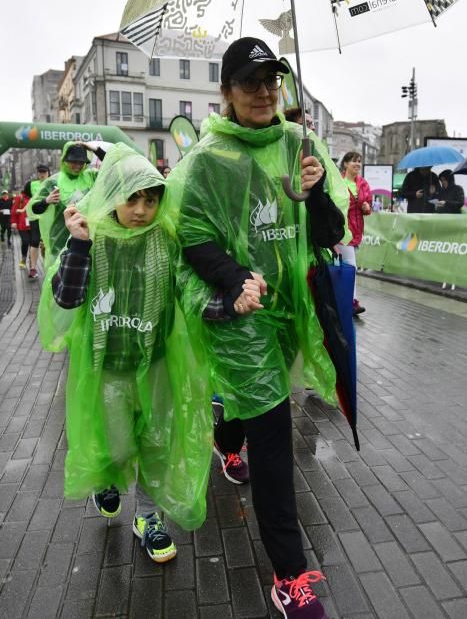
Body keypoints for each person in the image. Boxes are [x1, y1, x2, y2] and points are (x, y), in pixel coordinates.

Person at [169, 36, 349, 618]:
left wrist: (317, 188)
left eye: (273, 79)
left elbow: (326, 234)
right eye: (250, 82)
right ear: (226, 92)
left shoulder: (300, 144)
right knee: (274, 438)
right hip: (243, 312)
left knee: (250, 414)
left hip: (289, 310)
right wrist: (234, 277)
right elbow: (191, 233)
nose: (265, 91)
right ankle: (290, 575)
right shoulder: (205, 160)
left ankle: (226, 435)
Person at [38, 143, 212, 563]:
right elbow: (66, 299)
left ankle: (149, 518)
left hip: (153, 365)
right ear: (111, 195)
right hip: (109, 369)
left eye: (150, 200)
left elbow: (190, 288)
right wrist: (78, 247)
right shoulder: (92, 239)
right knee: (116, 447)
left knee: (156, 443)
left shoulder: (166, 240)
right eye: (131, 198)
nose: (140, 210)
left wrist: (223, 305)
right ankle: (108, 477)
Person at [27, 143, 98, 271]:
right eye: (73, 161)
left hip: (87, 237)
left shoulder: (92, 177)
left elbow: (113, 170)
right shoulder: (53, 182)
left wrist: (95, 150)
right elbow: (34, 208)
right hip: (60, 241)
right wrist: (46, 201)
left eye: (81, 162)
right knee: (59, 278)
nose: (77, 166)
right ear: (65, 160)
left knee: (84, 276)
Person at [339, 152, 372, 317]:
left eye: (359, 161)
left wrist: (366, 208)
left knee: (345, 267)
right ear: (345, 164)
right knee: (351, 266)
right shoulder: (337, 181)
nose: (357, 164)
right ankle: (352, 302)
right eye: (353, 161)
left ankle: (342, 300)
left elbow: (368, 205)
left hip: (357, 231)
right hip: (342, 231)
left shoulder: (363, 183)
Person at [26, 164, 51, 278]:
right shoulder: (31, 184)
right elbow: (26, 197)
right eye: (40, 172)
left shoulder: (53, 183)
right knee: (35, 240)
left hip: (50, 217)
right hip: (35, 216)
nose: (42, 174)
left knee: (49, 242)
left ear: (48, 173)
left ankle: (49, 266)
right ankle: (33, 268)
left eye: (44, 172)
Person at [11, 184, 32, 269]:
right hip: (22, 225)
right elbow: (13, 210)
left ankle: (31, 260)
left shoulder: (35, 197)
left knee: (33, 243)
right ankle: (23, 259)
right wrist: (13, 222)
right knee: (25, 241)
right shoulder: (20, 198)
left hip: (33, 225)